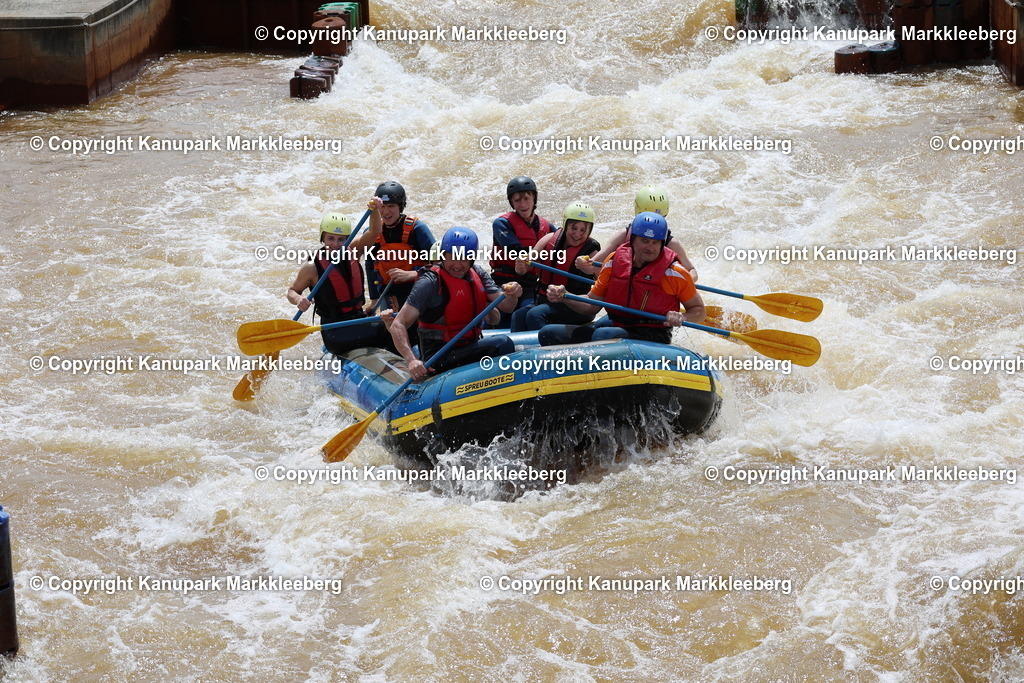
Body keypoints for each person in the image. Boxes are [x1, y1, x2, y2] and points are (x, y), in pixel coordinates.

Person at [539, 212, 705, 346]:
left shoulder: (674, 272)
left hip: (653, 334)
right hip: (618, 325)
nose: (650, 247)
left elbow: (699, 310)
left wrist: (683, 317)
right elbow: (591, 305)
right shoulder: (614, 262)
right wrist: (566, 296)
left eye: (655, 243)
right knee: (549, 333)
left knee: (602, 334)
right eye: (645, 241)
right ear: (632, 240)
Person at [390, 227, 523, 380]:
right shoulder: (430, 282)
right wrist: (411, 360)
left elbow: (507, 306)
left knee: (513, 348)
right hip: (438, 356)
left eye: (464, 258)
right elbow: (397, 324)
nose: (458, 264)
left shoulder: (477, 273)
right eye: (453, 257)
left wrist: (514, 294)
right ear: (443, 255)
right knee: (502, 343)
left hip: (468, 345)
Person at [287, 210, 393, 355]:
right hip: (335, 331)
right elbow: (292, 291)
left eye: (341, 239)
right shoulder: (312, 267)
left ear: (347, 239)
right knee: (392, 328)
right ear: (323, 238)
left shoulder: (354, 251)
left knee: (397, 322)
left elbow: (375, 232)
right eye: (330, 238)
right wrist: (298, 299)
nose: (335, 244)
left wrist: (375, 209)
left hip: (358, 319)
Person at [510, 201, 601, 332]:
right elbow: (527, 263)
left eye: (583, 230)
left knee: (535, 315)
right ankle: (517, 344)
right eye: (574, 228)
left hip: (574, 306)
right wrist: (521, 264)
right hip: (545, 300)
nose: (577, 234)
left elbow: (602, 281)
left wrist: (589, 269)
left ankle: (545, 343)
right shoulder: (550, 238)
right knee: (518, 315)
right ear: (565, 225)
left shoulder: (592, 253)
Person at [578, 184, 698, 282]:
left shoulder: (671, 243)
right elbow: (592, 266)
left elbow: (692, 271)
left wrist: (684, 282)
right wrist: (583, 263)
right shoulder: (623, 235)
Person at [489, 176, 553, 327]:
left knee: (524, 315)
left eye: (526, 198)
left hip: (529, 285)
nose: (523, 204)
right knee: (496, 319)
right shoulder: (501, 223)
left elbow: (563, 246)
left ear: (534, 198)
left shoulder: (547, 227)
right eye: (517, 200)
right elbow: (514, 252)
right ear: (512, 203)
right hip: (503, 282)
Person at [364, 180, 435, 313]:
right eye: (382, 206)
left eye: (391, 206)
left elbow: (439, 265)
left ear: (400, 206)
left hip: (419, 286)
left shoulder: (417, 229)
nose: (386, 211)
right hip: (390, 291)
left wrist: (412, 274)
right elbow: (370, 266)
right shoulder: (372, 233)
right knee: (389, 321)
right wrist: (374, 301)